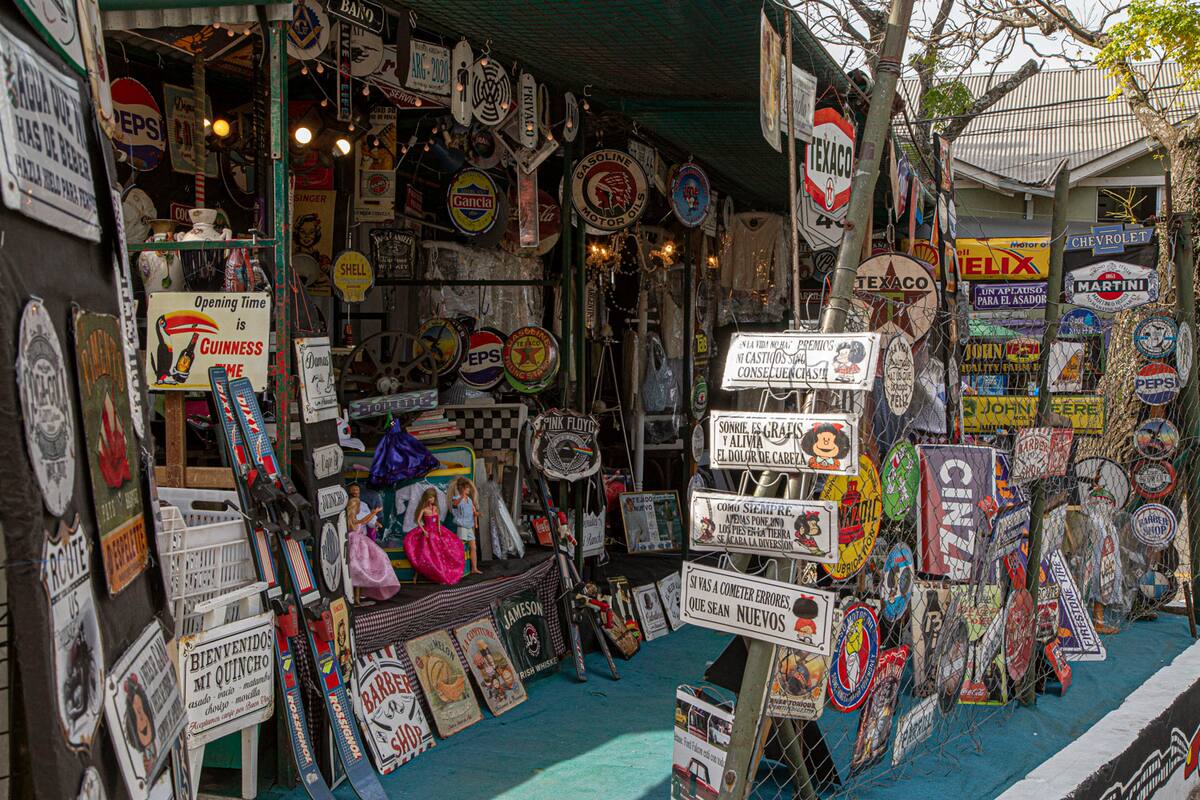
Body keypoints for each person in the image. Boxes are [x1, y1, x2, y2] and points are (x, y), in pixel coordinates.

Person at [346, 483, 400, 601]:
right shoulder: (351, 519)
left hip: (361, 541)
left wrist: (374, 519)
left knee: (365, 564)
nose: (355, 491)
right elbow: (363, 520)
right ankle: (355, 596)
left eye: (357, 489)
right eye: (353, 490)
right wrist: (373, 513)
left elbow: (366, 520)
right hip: (356, 543)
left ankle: (358, 595)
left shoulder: (361, 508)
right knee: (356, 567)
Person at [450, 477, 482, 575]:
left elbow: (473, 512)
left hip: (469, 526)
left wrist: (478, 514)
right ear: (462, 488)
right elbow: (455, 504)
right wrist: (461, 496)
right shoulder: (456, 498)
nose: (469, 490)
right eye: (467, 488)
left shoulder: (470, 500)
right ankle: (458, 569)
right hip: (462, 525)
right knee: (461, 547)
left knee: (473, 547)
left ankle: (474, 568)